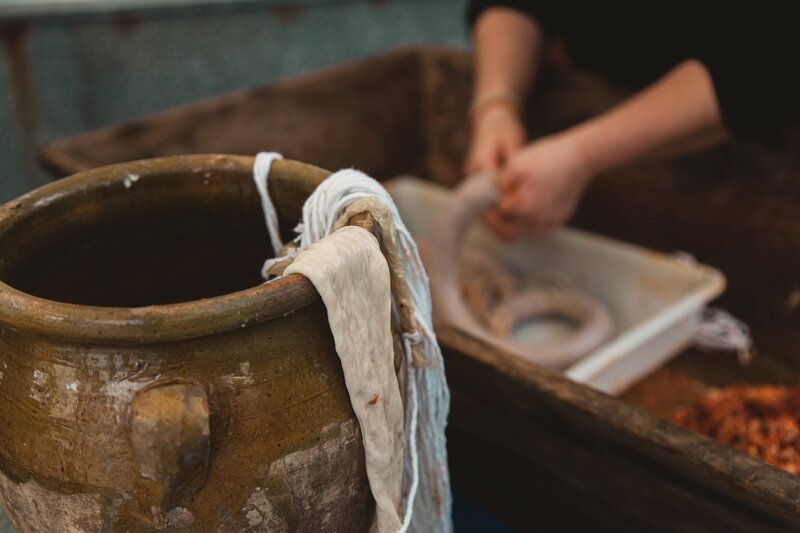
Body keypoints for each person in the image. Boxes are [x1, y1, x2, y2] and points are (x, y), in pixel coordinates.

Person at [466, 3, 800, 240]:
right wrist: (497, 105)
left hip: (751, 138)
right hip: (588, 81)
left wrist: (581, 155)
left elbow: (772, 48)